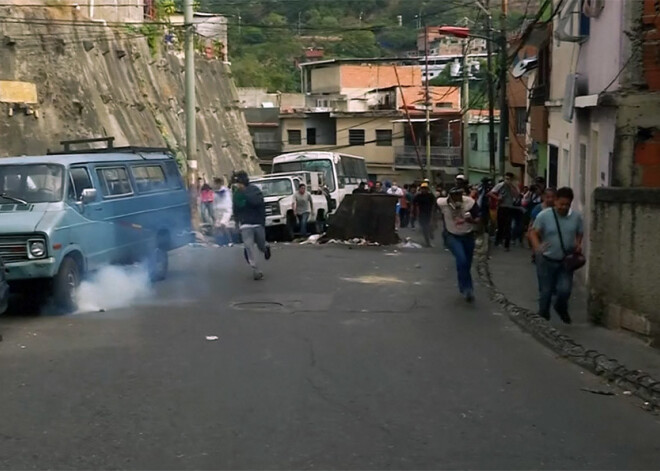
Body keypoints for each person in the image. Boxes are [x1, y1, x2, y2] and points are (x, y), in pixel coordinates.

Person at [528, 187, 583, 323]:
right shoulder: (544, 216)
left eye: (567, 204)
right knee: (546, 291)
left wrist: (578, 243)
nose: (564, 207)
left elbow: (580, 232)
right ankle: (543, 316)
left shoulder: (576, 217)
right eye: (561, 204)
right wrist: (537, 247)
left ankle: (560, 307)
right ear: (556, 201)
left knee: (565, 290)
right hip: (546, 259)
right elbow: (533, 232)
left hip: (565, 260)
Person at [438, 187, 480, 301]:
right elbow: (436, 211)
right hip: (452, 235)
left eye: (459, 196)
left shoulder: (469, 203)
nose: (457, 199)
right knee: (461, 259)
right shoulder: (442, 203)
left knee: (466, 263)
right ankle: (467, 289)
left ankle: (464, 286)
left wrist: (471, 220)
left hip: (468, 235)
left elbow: (479, 219)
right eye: (454, 197)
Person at [232, 171, 271, 280]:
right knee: (249, 247)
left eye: (238, 183)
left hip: (257, 223)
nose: (237, 185)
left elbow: (257, 203)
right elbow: (236, 209)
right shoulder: (237, 194)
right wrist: (236, 223)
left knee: (261, 245)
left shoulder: (254, 190)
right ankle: (256, 270)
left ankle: (266, 247)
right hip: (245, 224)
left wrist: (245, 194)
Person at [489, 172, 520, 251]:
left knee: (508, 226)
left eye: (509, 179)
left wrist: (511, 187)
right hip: (502, 207)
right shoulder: (501, 185)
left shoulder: (513, 186)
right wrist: (497, 198)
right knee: (500, 225)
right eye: (506, 179)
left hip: (509, 207)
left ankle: (507, 244)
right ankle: (498, 240)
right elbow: (491, 193)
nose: (507, 180)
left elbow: (516, 195)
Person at [413, 182, 436, 247]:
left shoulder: (431, 196)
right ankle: (427, 241)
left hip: (430, 213)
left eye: (425, 189)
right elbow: (414, 204)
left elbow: (434, 205)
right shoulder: (418, 196)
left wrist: (434, 214)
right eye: (422, 189)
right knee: (424, 227)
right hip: (421, 214)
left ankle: (430, 232)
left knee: (430, 226)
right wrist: (413, 213)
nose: (424, 190)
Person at [212, 177, 233, 245]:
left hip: (226, 210)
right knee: (217, 227)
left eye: (215, 183)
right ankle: (220, 242)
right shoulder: (214, 192)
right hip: (218, 211)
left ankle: (230, 241)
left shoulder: (224, 190)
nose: (214, 185)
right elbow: (214, 202)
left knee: (223, 224)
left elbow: (222, 193)